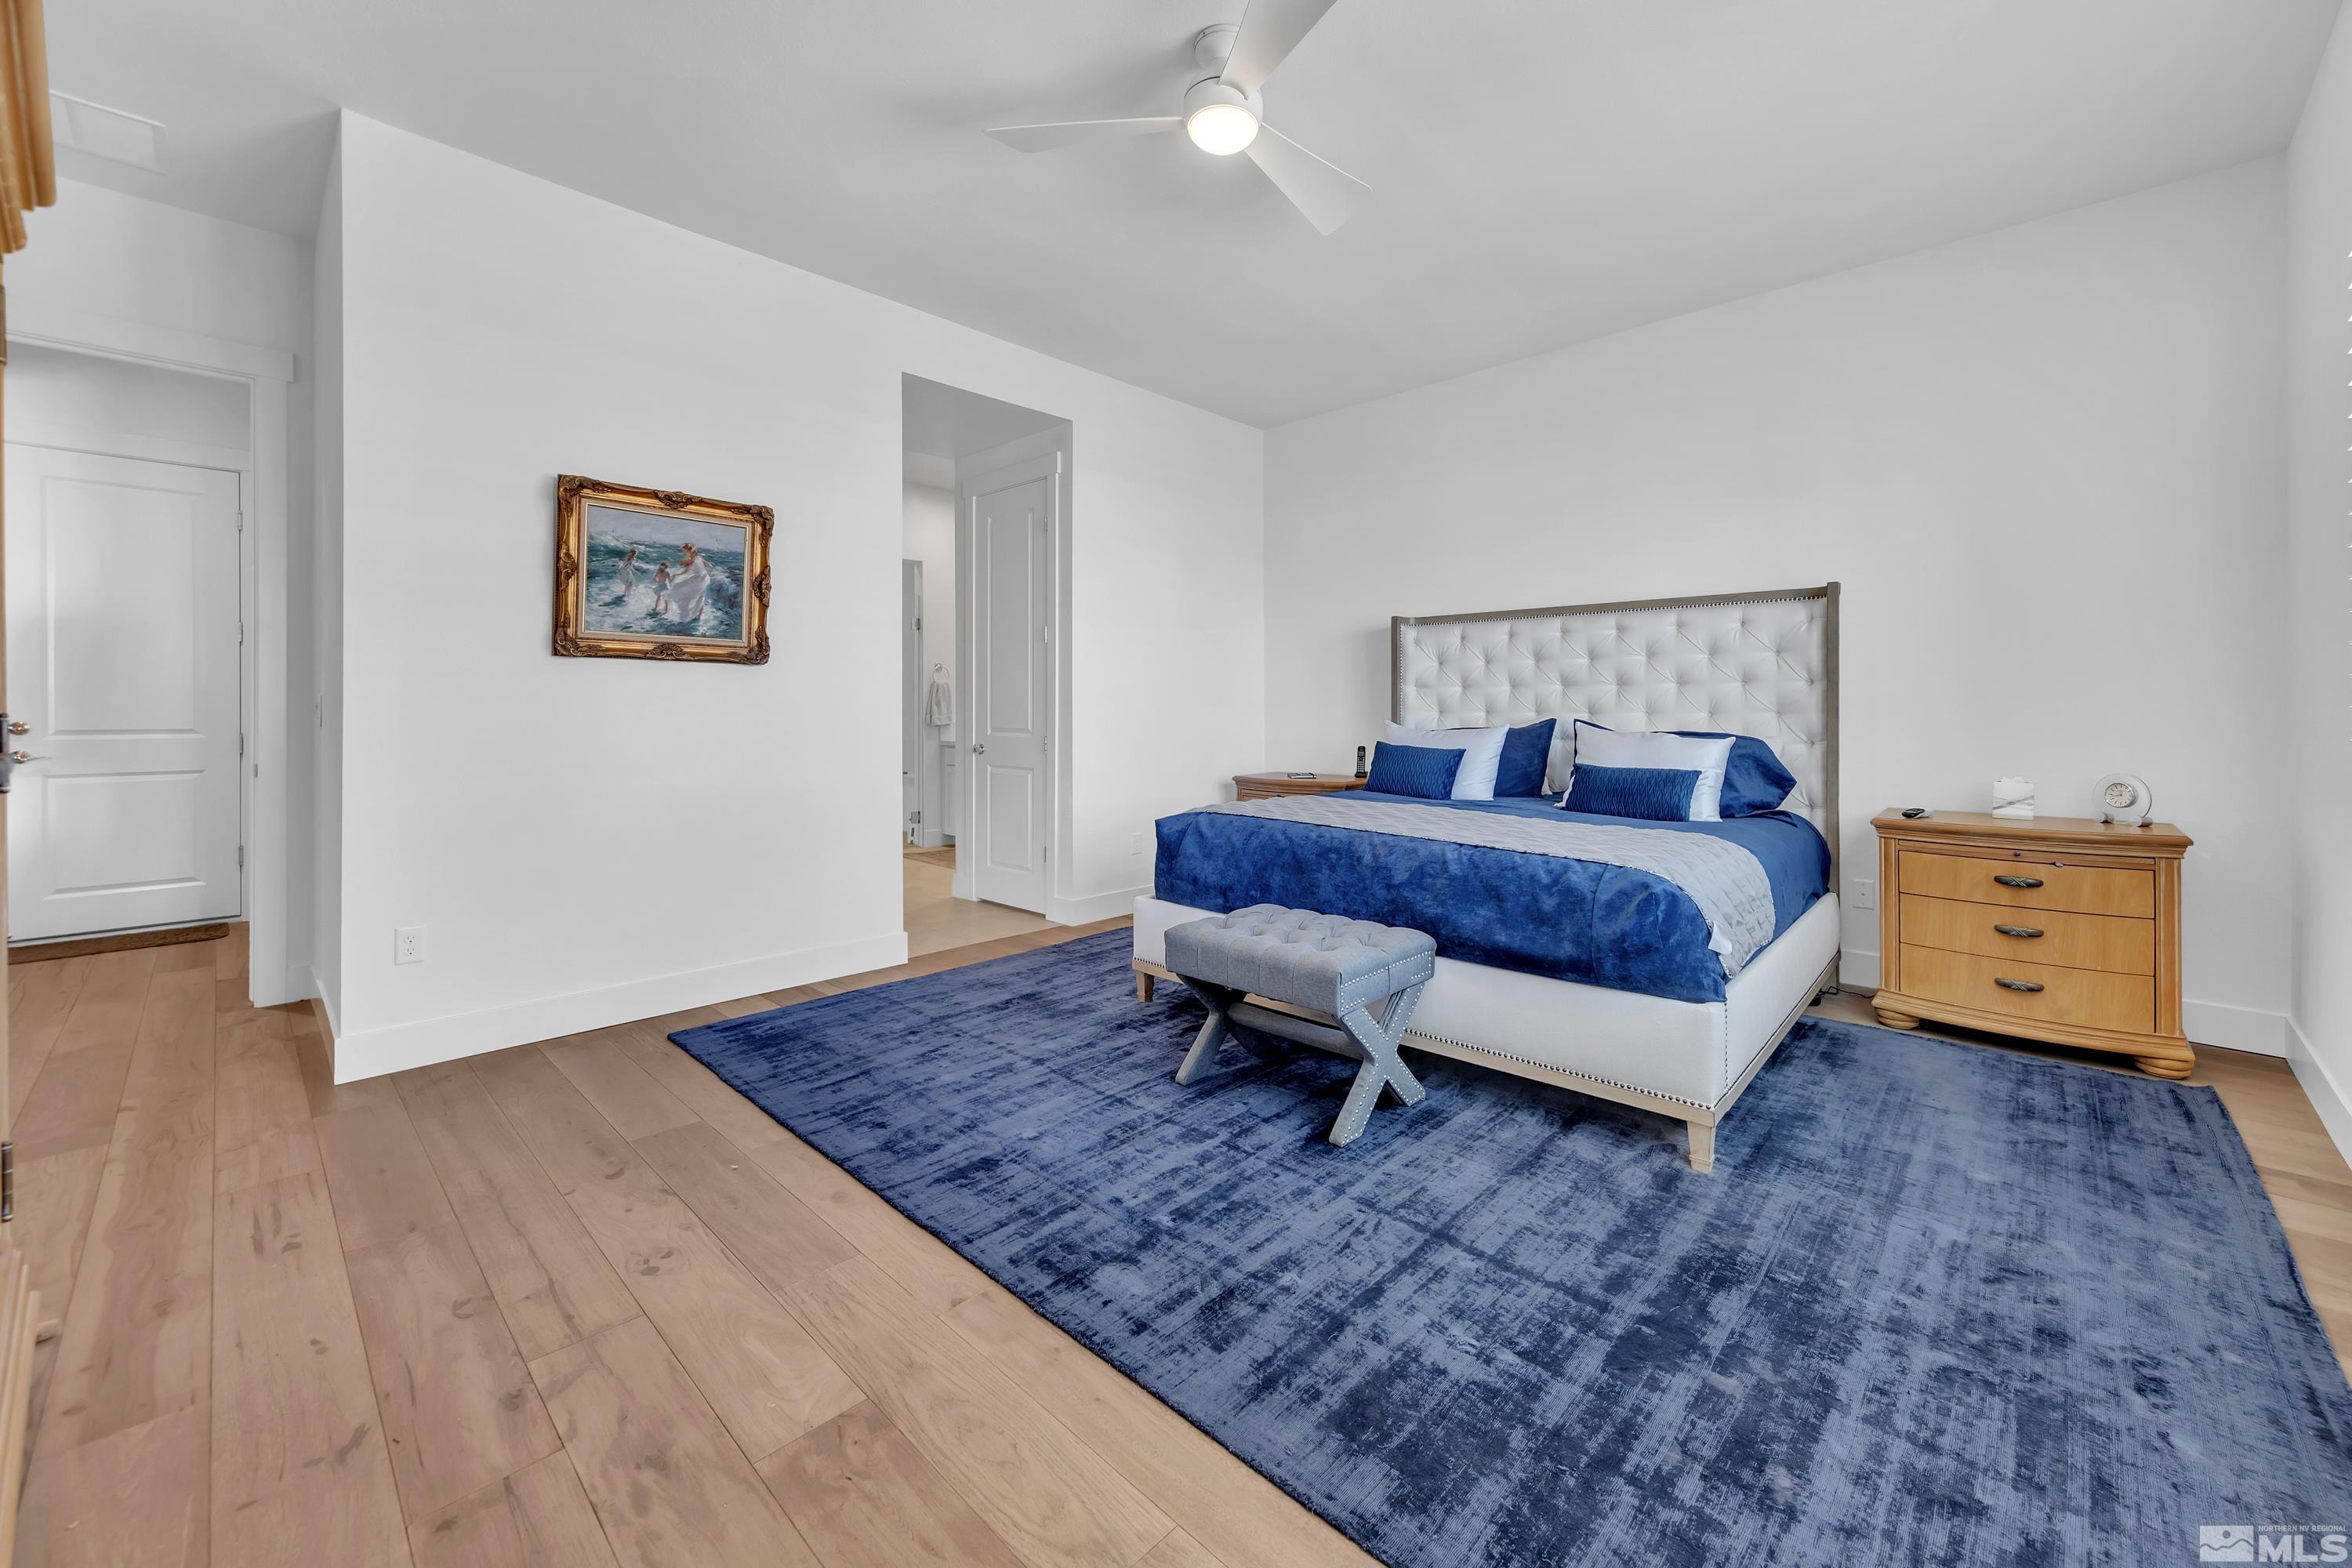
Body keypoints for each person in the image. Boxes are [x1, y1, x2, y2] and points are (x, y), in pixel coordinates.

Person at [665, 541, 711, 626]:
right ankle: (699, 616)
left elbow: (686, 572)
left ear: (688, 551)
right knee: (700, 597)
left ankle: (685, 616)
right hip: (705, 578)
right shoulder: (698, 557)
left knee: (680, 590)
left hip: (698, 580)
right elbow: (710, 566)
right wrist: (705, 573)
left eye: (685, 551)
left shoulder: (692, 560)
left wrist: (676, 575)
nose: (684, 552)